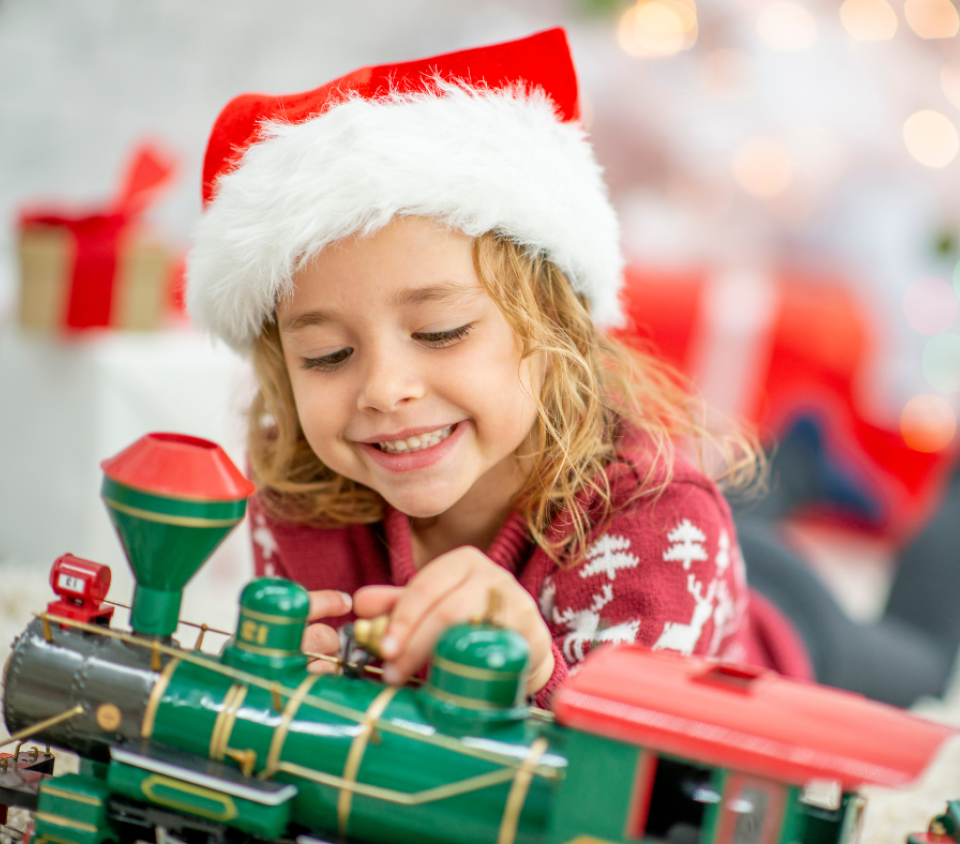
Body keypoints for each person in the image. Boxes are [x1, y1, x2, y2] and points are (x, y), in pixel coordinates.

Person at [184, 28, 809, 709]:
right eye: (328, 356)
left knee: (883, 630)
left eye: (441, 332)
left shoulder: (661, 523)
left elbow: (638, 762)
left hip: (785, 638)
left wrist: (536, 674)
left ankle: (814, 458)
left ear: (554, 329)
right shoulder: (295, 481)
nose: (385, 390)